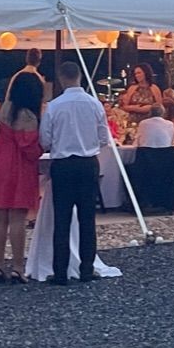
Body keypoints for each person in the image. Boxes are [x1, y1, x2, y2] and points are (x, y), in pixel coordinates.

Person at [39, 57, 109, 284]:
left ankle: (60, 272)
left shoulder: (54, 106)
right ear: (79, 77)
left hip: (63, 165)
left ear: (61, 79)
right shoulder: (95, 104)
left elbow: (45, 139)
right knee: (88, 219)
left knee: (62, 219)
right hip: (88, 163)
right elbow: (104, 138)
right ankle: (87, 269)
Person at [0, 67, 44, 281]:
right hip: (18, 164)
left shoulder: (6, 108)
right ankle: (17, 267)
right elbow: (28, 147)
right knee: (17, 217)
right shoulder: (28, 116)